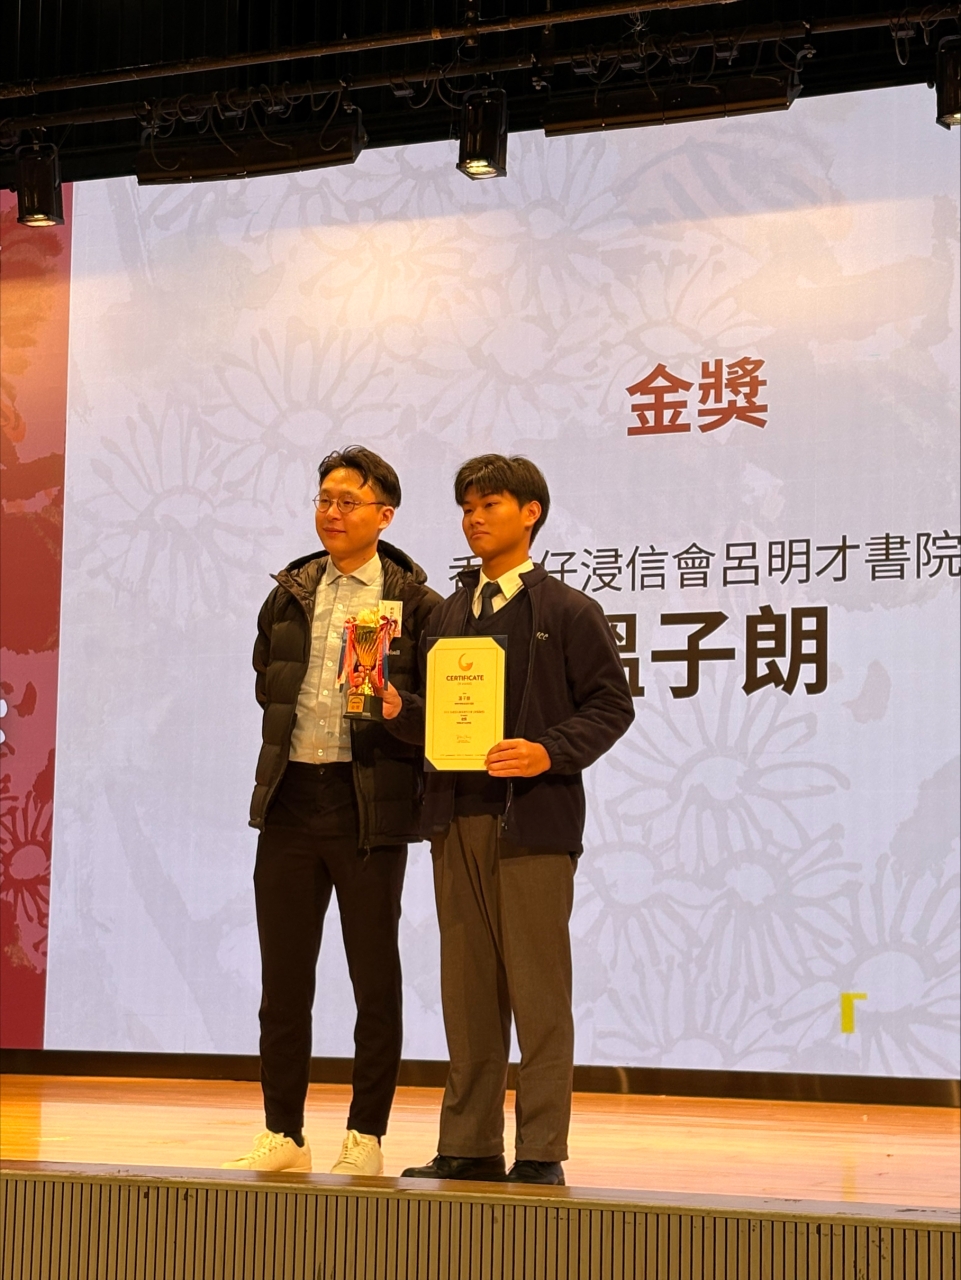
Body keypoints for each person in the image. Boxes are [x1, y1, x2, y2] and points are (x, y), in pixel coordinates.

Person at [380, 454, 634, 1185]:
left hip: (532, 825)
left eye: (489, 504)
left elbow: (610, 706)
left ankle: (541, 1149)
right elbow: (443, 719)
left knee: (538, 993)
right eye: (466, 507)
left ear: (530, 513)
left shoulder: (568, 611)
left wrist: (547, 751)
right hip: (453, 818)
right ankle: (469, 1144)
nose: (474, 518)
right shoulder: (450, 612)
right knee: (466, 991)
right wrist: (400, 711)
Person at [223, 447, 442, 1175]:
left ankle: (365, 1133)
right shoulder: (290, 593)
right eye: (323, 499)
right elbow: (269, 683)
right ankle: (283, 1130)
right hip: (291, 798)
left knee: (374, 978)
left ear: (385, 515)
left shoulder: (418, 604)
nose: (332, 513)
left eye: (349, 501)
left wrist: (399, 708)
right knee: (283, 979)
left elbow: (441, 713)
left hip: (366, 804)